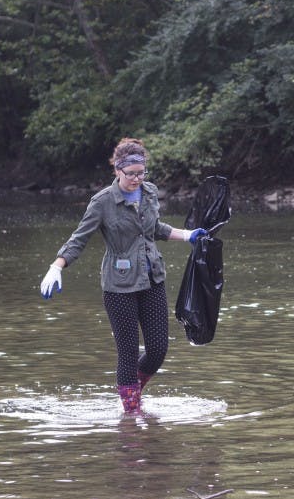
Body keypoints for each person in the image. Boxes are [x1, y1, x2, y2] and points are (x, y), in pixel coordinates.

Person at [38, 137, 205, 414]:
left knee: (158, 349)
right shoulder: (102, 202)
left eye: (141, 173)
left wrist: (187, 235)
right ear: (117, 171)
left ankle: (133, 396)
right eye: (131, 174)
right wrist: (57, 266)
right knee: (127, 353)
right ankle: (131, 412)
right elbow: (79, 239)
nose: (137, 179)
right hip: (119, 287)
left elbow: (155, 229)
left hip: (152, 279)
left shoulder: (149, 193)